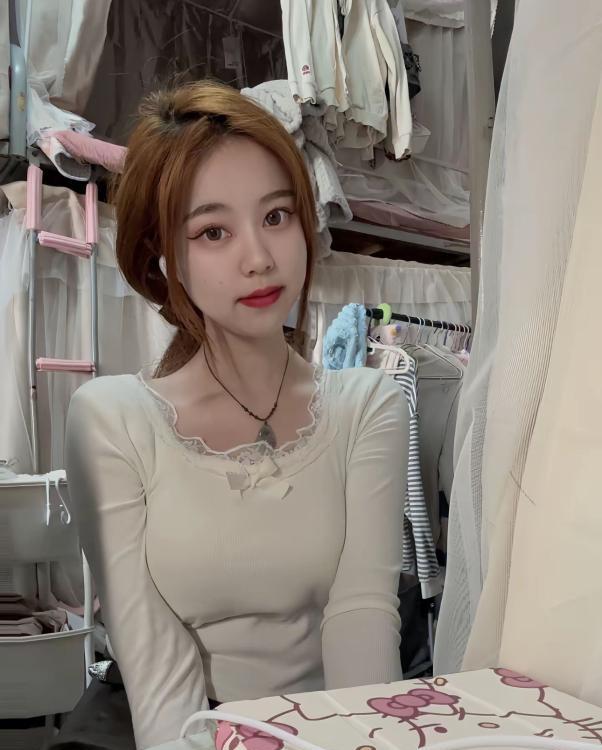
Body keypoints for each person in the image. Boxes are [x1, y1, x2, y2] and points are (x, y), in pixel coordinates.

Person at [63, 80, 409, 750]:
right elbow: (153, 658)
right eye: (213, 231)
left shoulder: (368, 405)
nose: (259, 258)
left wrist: (358, 741)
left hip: (331, 727)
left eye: (277, 216)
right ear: (164, 257)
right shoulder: (113, 420)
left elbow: (362, 616)